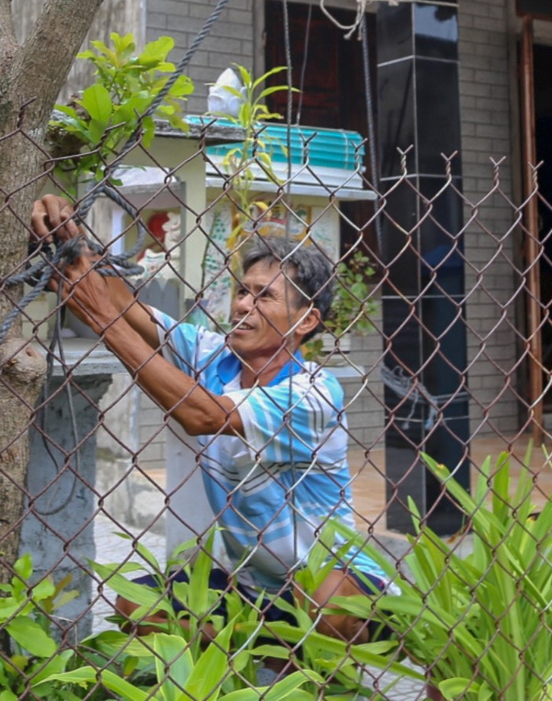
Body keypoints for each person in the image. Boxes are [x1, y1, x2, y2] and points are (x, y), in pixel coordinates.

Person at [32, 195, 379, 640]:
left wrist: (99, 317)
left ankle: (287, 648)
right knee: (136, 604)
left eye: (264, 296)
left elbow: (202, 414)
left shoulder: (313, 393)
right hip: (250, 581)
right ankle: (264, 650)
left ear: (306, 320)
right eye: (242, 291)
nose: (242, 306)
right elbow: (124, 305)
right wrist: (71, 240)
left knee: (330, 601)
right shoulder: (210, 352)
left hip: (327, 574)